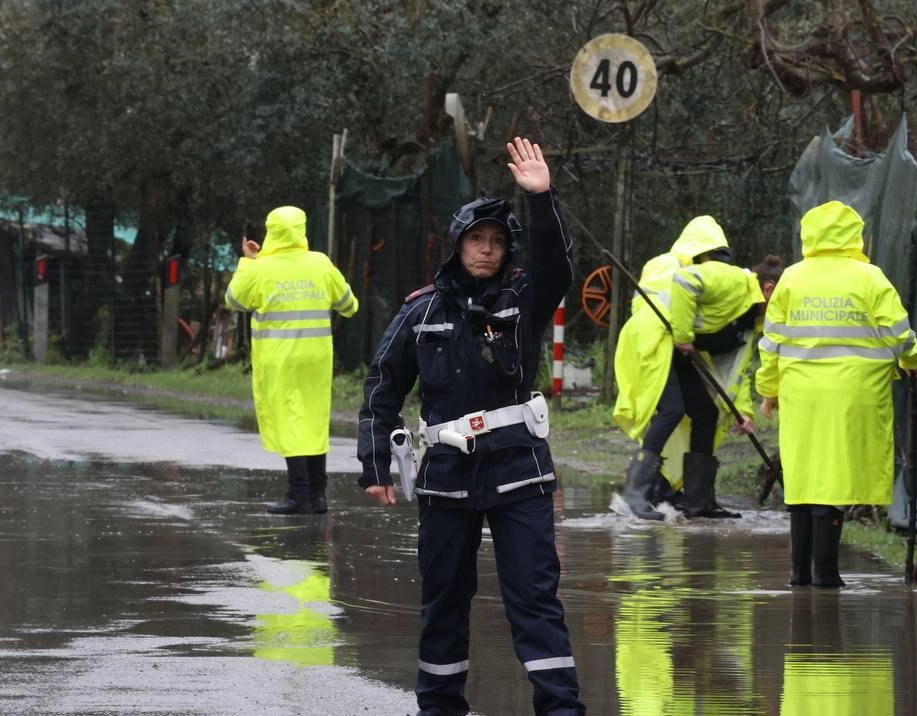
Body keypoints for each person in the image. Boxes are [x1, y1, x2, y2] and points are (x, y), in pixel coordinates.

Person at [357, 137, 584, 716]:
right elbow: (383, 387)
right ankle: (438, 708)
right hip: (446, 478)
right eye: (476, 240)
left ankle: (561, 709)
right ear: (457, 245)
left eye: (496, 242)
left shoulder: (524, 300)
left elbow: (560, 262)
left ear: (508, 250)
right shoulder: (421, 310)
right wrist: (376, 464)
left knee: (535, 600)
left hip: (519, 472)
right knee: (444, 602)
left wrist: (542, 198)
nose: (486, 251)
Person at [755, 200, 917, 587]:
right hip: (854, 395)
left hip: (801, 397)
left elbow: (772, 343)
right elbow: (899, 332)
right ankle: (827, 576)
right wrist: (912, 361)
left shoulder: (792, 279)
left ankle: (800, 575)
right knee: (834, 477)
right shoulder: (870, 278)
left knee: (803, 478)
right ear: (854, 235)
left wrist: (769, 390)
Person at [612, 215, 767, 520]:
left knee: (705, 413)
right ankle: (635, 493)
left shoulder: (743, 309)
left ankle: (698, 500)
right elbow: (679, 288)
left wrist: (744, 410)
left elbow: (736, 367)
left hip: (676, 347)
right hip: (654, 341)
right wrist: (683, 337)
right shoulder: (715, 275)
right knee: (672, 409)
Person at [225, 206, 358, 514]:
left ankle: (298, 494)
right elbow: (349, 305)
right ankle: (319, 494)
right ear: (302, 229)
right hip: (316, 359)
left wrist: (248, 260)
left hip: (279, 358)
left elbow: (234, 300)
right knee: (313, 421)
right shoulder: (320, 263)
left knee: (290, 423)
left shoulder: (260, 268)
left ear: (271, 231)